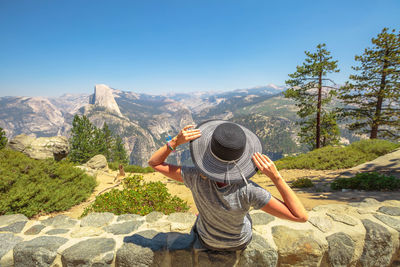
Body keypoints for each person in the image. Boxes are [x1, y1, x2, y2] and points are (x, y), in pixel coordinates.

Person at [148, 120, 308, 251]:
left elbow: (154, 163)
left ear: (208, 151)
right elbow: (301, 216)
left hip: (207, 241)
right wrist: (276, 177)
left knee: (199, 219)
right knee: (245, 215)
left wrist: (175, 142)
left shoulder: (194, 176)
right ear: (242, 157)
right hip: (240, 243)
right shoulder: (249, 190)